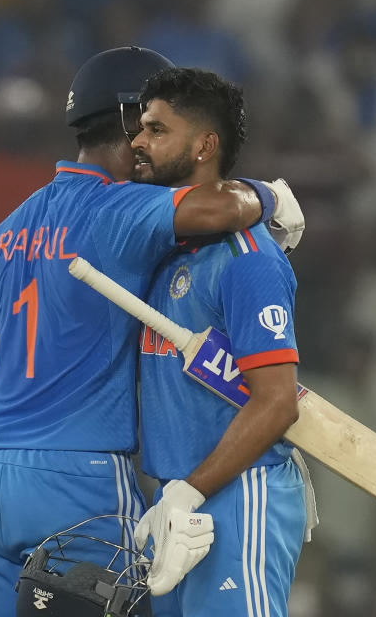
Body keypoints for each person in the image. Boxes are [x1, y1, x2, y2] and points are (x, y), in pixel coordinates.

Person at [0, 46, 302, 617]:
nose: (144, 144)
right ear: (131, 120)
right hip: (78, 479)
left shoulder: (5, 233)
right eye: (148, 126)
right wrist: (273, 195)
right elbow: (218, 210)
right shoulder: (119, 209)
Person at [130, 68, 313, 616]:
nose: (138, 141)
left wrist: (191, 491)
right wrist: (175, 496)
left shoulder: (248, 259)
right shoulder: (168, 249)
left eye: (158, 130)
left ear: (205, 145)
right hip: (176, 506)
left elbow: (277, 401)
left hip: (238, 497)